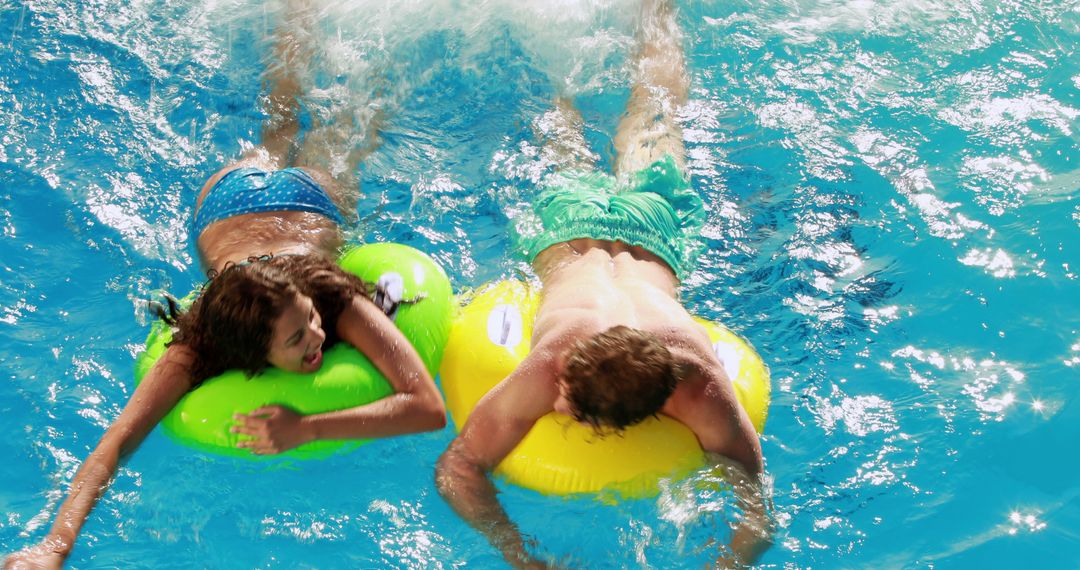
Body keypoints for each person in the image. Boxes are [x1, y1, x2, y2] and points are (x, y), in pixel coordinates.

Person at [5, 2, 444, 567]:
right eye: (297, 338)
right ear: (249, 349)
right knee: (305, 128)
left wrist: (307, 427)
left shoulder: (326, 295)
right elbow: (112, 447)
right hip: (236, 205)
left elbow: (428, 407)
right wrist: (53, 546)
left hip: (274, 206)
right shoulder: (195, 349)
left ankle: (329, 29)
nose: (316, 335)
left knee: (340, 130)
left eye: (309, 322)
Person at [435, 0, 771, 567]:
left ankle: (590, 41)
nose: (558, 403)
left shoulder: (661, 375)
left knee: (631, 116)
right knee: (647, 115)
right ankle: (652, 14)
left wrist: (519, 554)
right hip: (597, 231)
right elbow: (754, 492)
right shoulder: (697, 386)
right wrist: (521, 557)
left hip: (619, 228)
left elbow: (461, 466)